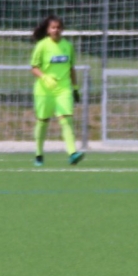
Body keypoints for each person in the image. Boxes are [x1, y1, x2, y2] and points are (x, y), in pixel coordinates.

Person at [29, 14, 84, 167]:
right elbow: (34, 67)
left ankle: (72, 153)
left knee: (66, 120)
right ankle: (39, 154)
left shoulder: (68, 46)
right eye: (53, 27)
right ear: (48, 30)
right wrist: (45, 77)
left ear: (62, 29)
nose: (56, 30)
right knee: (43, 122)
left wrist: (75, 88)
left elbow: (71, 68)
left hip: (63, 89)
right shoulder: (41, 46)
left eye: (58, 27)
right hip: (44, 91)